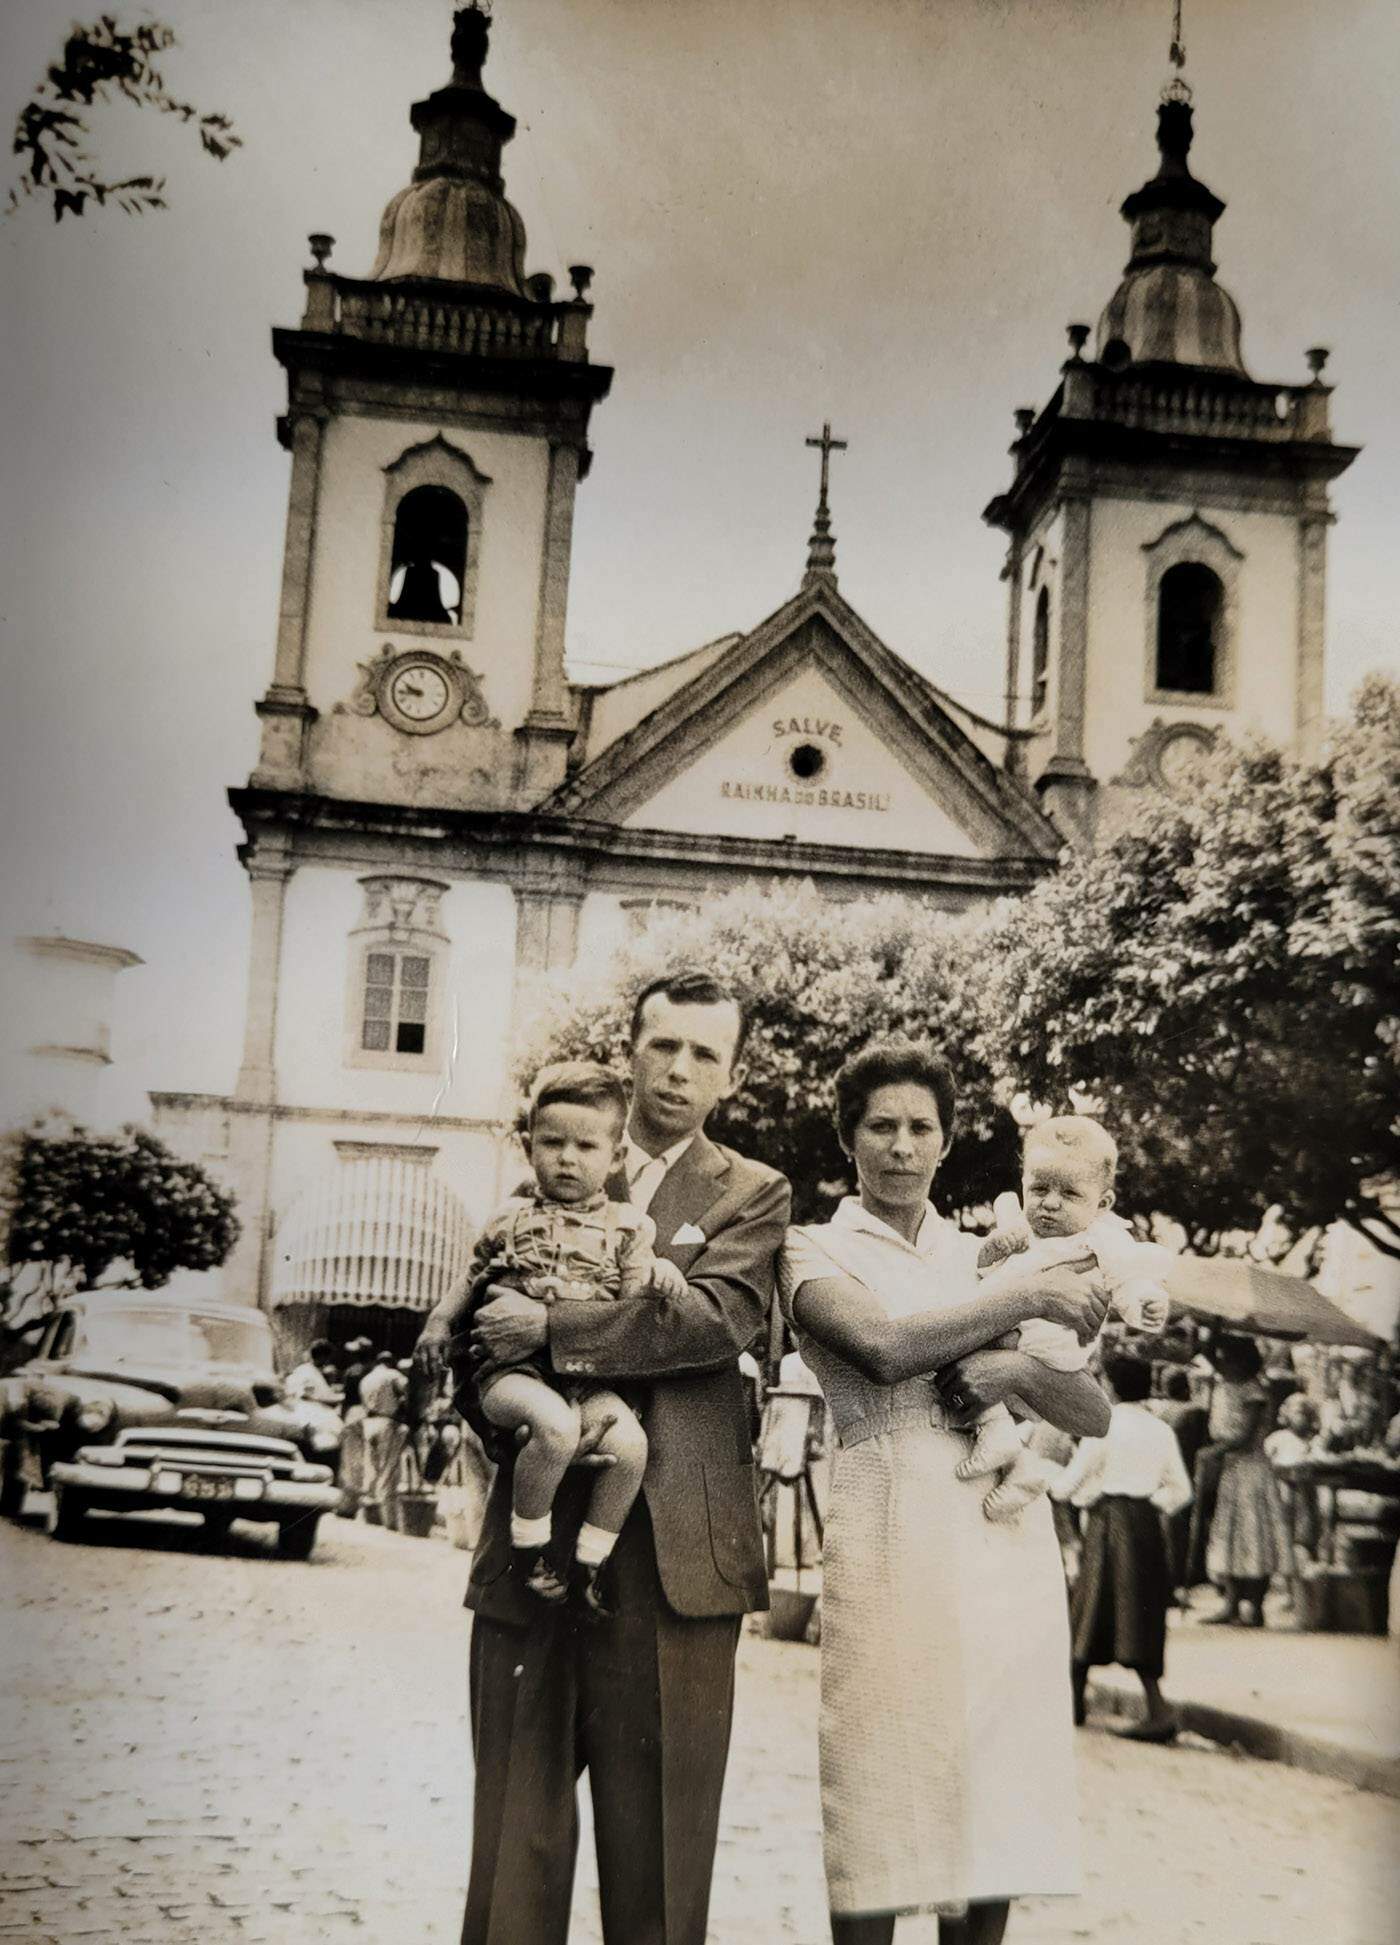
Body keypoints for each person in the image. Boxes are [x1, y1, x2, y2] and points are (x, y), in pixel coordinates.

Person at [418, 968, 789, 1945]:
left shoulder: (753, 1194)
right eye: (661, 1044)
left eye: (703, 1053)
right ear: (629, 1052)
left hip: (675, 1566)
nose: (677, 1069)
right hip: (531, 1550)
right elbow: (472, 1347)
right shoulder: (554, 1169)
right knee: (511, 1851)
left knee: (658, 1873)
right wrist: (517, 1404)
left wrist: (550, 1324)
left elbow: (714, 1322)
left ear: (731, 1076)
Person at [779, 1040, 1111, 1945]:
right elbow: (883, 1349)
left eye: (920, 1126)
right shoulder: (811, 1247)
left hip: (1003, 1538)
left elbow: (1093, 1410)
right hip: (892, 1517)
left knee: (994, 1788)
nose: (900, 1145)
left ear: (947, 1139)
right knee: (882, 1778)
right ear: (847, 1137)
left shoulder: (989, 1254)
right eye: (879, 1125)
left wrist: (1009, 1368)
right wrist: (1020, 1300)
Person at [434, 1061, 688, 1614]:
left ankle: (590, 1560)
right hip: (511, 1373)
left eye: (586, 1146)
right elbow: (472, 1277)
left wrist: (664, 1274)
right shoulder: (510, 1218)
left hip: (584, 1373)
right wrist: (436, 1323)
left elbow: (633, 1301)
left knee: (630, 1445)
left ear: (615, 1156)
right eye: (552, 1143)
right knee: (554, 1426)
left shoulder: (628, 1228)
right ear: (529, 1148)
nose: (567, 1158)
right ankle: (530, 1555)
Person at [964, 1117, 1169, 1519]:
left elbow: (1127, 1276)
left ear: (1102, 1203)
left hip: (1053, 1342)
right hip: (1017, 1330)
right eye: (1039, 1189)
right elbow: (985, 1273)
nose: (1051, 1202)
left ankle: (1006, 1446)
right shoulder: (1023, 1230)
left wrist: (1144, 1301)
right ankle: (1019, 1464)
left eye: (1070, 1193)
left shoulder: (1101, 1237)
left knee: (979, 1356)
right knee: (975, 1363)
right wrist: (994, 1249)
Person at [1050, 1354, 1192, 1741]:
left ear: (1110, 1385)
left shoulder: (1104, 1426)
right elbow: (1181, 1491)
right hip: (1144, 1526)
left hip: (1108, 1524)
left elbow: (1067, 1485)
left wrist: (1080, 1494)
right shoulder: (1160, 1430)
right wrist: (1147, 1503)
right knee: (1139, 1616)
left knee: (1088, 1606)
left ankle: (1073, 1701)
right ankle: (1156, 1707)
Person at [1199, 1336, 1294, 1626]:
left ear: (1243, 1362)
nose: (1224, 1363)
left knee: (1254, 1537)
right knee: (1229, 1537)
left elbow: (1245, 1437)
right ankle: (1231, 1604)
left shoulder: (1255, 1390)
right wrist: (1214, 1330)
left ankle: (1254, 1606)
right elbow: (1207, 1353)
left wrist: (1214, 1451)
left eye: (1229, 1358)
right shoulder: (1227, 1382)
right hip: (1232, 1471)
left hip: (1252, 1472)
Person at [285, 1337, 341, 1405]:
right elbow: (306, 1396)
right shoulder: (307, 1371)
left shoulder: (307, 1369)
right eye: (328, 1358)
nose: (328, 1361)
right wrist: (338, 1398)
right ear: (322, 1357)